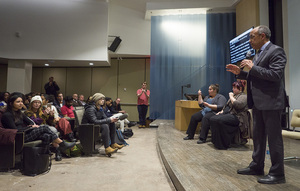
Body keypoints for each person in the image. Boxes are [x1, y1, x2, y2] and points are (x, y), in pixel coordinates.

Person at [226, 25, 287, 184]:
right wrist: (241, 73)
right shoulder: (259, 53)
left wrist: (252, 67)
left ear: (262, 36)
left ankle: (277, 173)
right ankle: (257, 166)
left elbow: (275, 75)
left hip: (271, 102)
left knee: (274, 139)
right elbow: (257, 76)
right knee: (258, 137)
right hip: (259, 102)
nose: (250, 40)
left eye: (252, 37)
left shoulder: (276, 51)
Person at [1, 92, 75, 154]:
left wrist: (32, 125)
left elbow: (31, 122)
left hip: (25, 133)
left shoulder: (19, 113)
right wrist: (29, 127)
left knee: (47, 136)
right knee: (44, 127)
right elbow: (15, 131)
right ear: (11, 103)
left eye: (21, 102)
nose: (21, 104)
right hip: (19, 137)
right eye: (18, 102)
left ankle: (44, 155)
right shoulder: (7, 115)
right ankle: (62, 144)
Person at [209, 81, 248, 149]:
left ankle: (223, 144)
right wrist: (221, 112)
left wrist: (231, 96)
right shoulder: (234, 96)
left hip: (238, 117)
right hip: (230, 114)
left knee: (220, 120)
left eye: (235, 88)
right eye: (233, 87)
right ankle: (216, 142)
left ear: (240, 88)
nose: (233, 89)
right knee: (213, 118)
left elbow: (237, 105)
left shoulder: (244, 96)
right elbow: (226, 106)